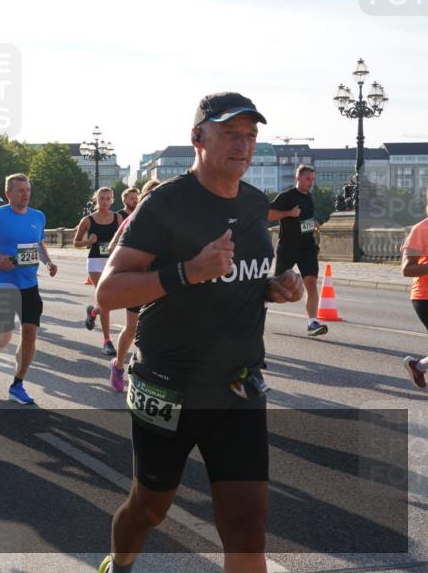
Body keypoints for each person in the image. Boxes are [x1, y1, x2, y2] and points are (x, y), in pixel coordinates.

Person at [94, 92, 303, 573]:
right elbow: (109, 293)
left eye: (251, 136)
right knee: (150, 509)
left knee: (248, 529)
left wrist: (274, 288)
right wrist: (187, 271)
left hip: (238, 386)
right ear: (197, 138)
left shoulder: (255, 205)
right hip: (170, 386)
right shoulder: (166, 204)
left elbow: (238, 280)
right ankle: (119, 564)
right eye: (230, 133)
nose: (243, 145)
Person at [0, 174, 58, 404]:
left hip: (30, 285)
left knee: (30, 334)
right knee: (4, 338)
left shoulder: (38, 216)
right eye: (20, 190)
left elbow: (38, 243)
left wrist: (48, 262)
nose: (26, 194)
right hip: (4, 284)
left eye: (28, 189)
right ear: (8, 193)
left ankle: (17, 384)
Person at [104, 179, 160, 392]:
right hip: (138, 282)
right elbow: (112, 247)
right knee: (133, 327)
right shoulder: (134, 220)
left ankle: (150, 373)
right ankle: (118, 365)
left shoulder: (173, 219)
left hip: (161, 282)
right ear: (146, 197)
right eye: (153, 193)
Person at [269, 164, 327, 336]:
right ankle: (255, 311)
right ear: (298, 178)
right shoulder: (286, 196)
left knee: (311, 282)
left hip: (307, 247)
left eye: (313, 180)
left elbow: (304, 220)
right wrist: (288, 213)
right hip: (288, 247)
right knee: (278, 288)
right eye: (308, 179)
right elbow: (269, 214)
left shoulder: (309, 197)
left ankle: (312, 323)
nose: (311, 183)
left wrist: (313, 224)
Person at [75, 187, 123, 356]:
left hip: (113, 261)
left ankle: (93, 312)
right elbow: (76, 242)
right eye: (102, 198)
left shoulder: (118, 218)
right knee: (105, 300)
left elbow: (126, 238)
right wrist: (88, 241)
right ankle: (107, 341)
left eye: (108, 198)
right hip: (95, 262)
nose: (105, 201)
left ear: (112, 200)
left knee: (109, 299)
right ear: (96, 200)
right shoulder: (88, 220)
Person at [401, 198, 428, 388]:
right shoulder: (421, 230)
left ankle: (418, 367)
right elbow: (407, 269)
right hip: (425, 296)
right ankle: (418, 367)